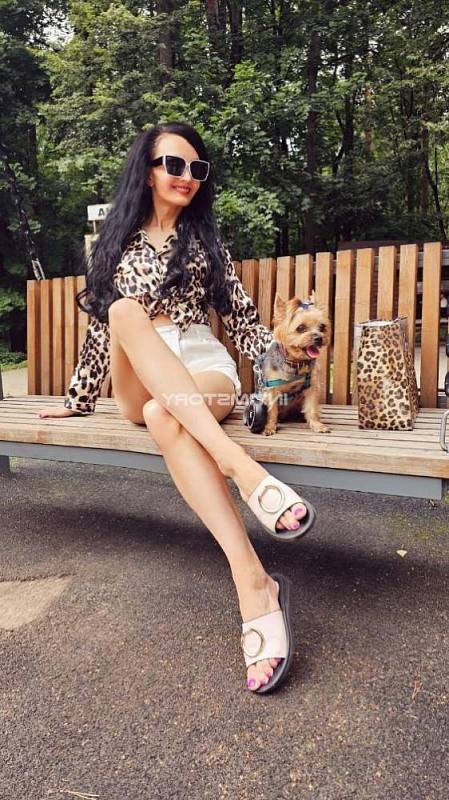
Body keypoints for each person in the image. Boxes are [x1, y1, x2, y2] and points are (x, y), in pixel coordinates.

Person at [38, 121, 316, 694]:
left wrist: (281, 374)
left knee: (166, 415)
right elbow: (102, 333)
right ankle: (242, 468)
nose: (186, 176)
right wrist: (78, 399)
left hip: (202, 366)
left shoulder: (207, 242)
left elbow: (242, 319)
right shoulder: (114, 245)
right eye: (173, 164)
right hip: (138, 369)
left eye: (197, 168)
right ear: (147, 171)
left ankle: (254, 583)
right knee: (122, 312)